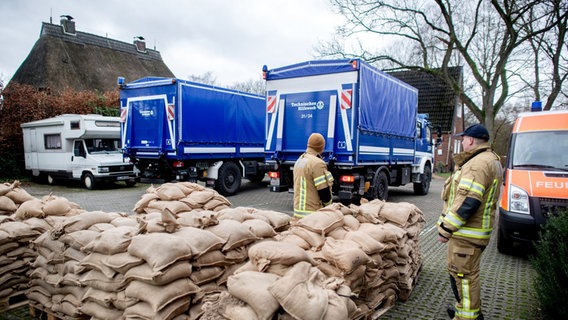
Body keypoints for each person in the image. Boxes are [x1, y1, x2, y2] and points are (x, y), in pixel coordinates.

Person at [437, 124, 503, 320]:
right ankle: (465, 310)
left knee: (463, 278)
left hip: (467, 235)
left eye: (463, 139)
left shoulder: (477, 165)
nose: (463, 142)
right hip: (474, 233)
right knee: (466, 275)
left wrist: (445, 229)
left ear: (471, 140)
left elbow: (468, 201)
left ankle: (466, 317)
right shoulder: (490, 159)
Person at [293, 133, 334, 218]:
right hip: (312, 214)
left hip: (298, 212)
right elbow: (323, 191)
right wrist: (329, 206)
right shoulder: (317, 163)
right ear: (321, 147)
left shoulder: (300, 160)